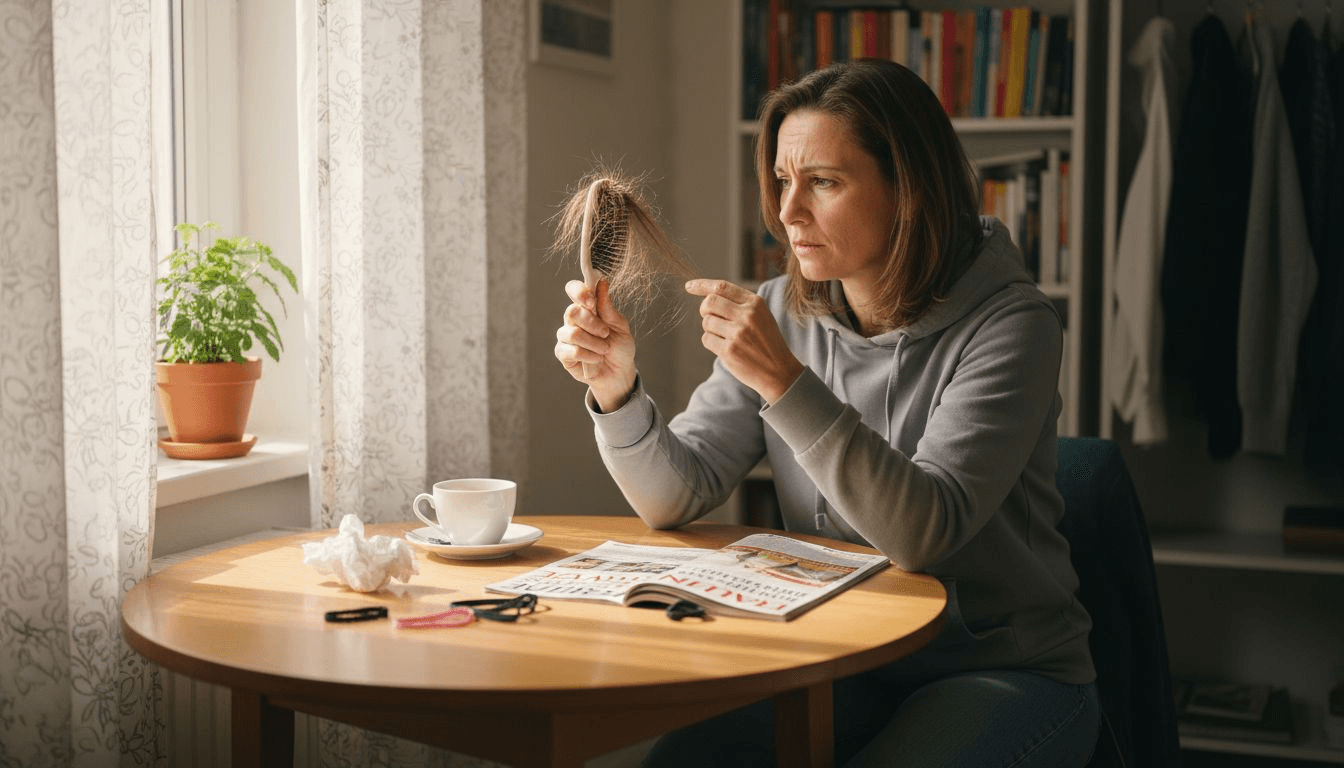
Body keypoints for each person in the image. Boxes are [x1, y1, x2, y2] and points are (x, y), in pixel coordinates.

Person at [553, 59, 1098, 767]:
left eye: (824, 182)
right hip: (837, 659)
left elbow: (923, 533)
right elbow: (673, 496)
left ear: (910, 190)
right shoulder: (784, 306)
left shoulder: (1014, 326)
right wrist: (618, 391)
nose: (788, 212)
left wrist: (784, 379)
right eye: (783, 180)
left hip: (999, 670)